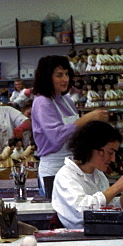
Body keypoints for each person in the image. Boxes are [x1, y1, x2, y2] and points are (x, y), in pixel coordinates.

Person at [30, 55, 108, 196]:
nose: (65, 79)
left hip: (74, 164)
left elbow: (76, 131)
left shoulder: (66, 100)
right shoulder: (42, 102)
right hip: (54, 168)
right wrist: (87, 118)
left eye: (66, 74)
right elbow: (56, 136)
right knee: (59, 213)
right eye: (59, 75)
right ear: (46, 77)